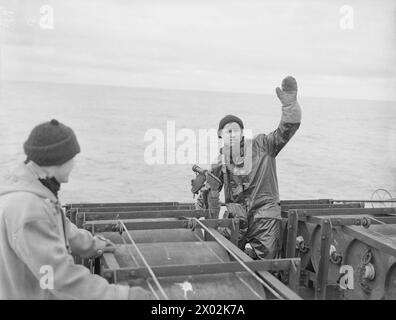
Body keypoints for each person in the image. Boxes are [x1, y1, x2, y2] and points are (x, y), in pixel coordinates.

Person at [0, 119, 151, 299]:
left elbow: (60, 227)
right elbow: (59, 278)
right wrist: (122, 295)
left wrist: (94, 245)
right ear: (57, 161)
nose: (73, 165)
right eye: (71, 159)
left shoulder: (33, 188)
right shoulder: (29, 210)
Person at [196, 76, 302, 260]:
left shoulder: (264, 145)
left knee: (267, 265)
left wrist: (290, 106)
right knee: (223, 257)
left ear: (242, 133)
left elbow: (286, 130)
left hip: (265, 218)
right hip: (235, 220)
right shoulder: (220, 162)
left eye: (236, 129)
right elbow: (208, 195)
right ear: (221, 135)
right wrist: (202, 203)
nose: (232, 133)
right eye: (227, 130)